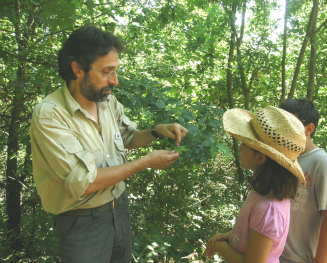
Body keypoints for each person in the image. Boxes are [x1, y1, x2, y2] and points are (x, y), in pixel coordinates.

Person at [30, 25, 188, 263]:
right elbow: (83, 183)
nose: (114, 81)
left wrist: (156, 131)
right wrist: (145, 163)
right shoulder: (50, 115)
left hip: (120, 210)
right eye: (107, 72)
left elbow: (127, 138)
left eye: (115, 71)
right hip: (82, 223)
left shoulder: (107, 101)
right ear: (77, 69)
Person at [204, 106, 306, 263]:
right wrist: (227, 236)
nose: (240, 147)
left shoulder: (268, 209)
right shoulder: (264, 192)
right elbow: (250, 231)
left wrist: (220, 246)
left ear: (260, 158)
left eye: (245, 144)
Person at [279, 99, 327, 263]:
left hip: (298, 259)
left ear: (309, 129)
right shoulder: (281, 157)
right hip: (271, 253)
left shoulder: (322, 164)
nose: (282, 130)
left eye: (290, 124)